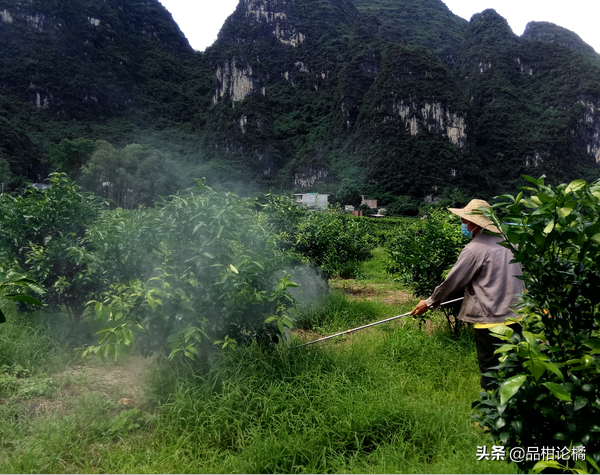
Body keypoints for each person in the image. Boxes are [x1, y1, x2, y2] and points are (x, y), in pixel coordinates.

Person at [409, 199, 526, 390]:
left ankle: (488, 416)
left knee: (490, 369)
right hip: (517, 316)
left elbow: (453, 282)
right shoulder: (511, 243)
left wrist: (430, 302)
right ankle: (514, 411)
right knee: (514, 369)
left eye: (465, 221)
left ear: (475, 223)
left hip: (489, 319)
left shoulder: (474, 249)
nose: (463, 224)